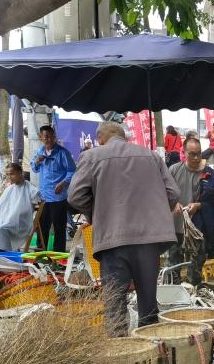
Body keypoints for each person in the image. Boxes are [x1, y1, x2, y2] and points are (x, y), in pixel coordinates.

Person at [67, 121, 179, 333]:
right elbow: (173, 193)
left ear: (100, 139)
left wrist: (98, 213)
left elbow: (75, 196)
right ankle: (151, 351)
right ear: (124, 136)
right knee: (148, 305)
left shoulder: (91, 156)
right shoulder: (152, 156)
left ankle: (120, 356)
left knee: (115, 306)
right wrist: (156, 214)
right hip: (149, 239)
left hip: (113, 240)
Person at [168, 137, 214, 285]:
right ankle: (175, 303)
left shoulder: (209, 174)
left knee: (195, 273)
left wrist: (199, 205)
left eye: (199, 153)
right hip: (176, 229)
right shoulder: (174, 170)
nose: (196, 157)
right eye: (192, 154)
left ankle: (194, 302)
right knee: (173, 270)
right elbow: (162, 193)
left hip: (198, 231)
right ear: (184, 152)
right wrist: (174, 204)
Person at [30, 124, 76, 252]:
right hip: (44, 197)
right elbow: (34, 168)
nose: (49, 139)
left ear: (54, 137)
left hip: (58, 197)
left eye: (51, 137)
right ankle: (41, 253)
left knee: (59, 227)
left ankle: (58, 254)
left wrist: (63, 183)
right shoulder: (40, 152)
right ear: (41, 138)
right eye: (46, 137)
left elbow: (72, 171)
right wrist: (37, 162)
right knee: (42, 226)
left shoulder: (62, 153)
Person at [0, 163, 38, 252]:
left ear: (20, 172)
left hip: (20, 222)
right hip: (7, 220)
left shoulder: (31, 189)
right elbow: (2, 208)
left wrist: (11, 217)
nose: (9, 177)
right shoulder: (9, 189)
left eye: (12, 174)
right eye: (7, 175)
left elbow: (28, 210)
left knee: (0, 229)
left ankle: (3, 255)